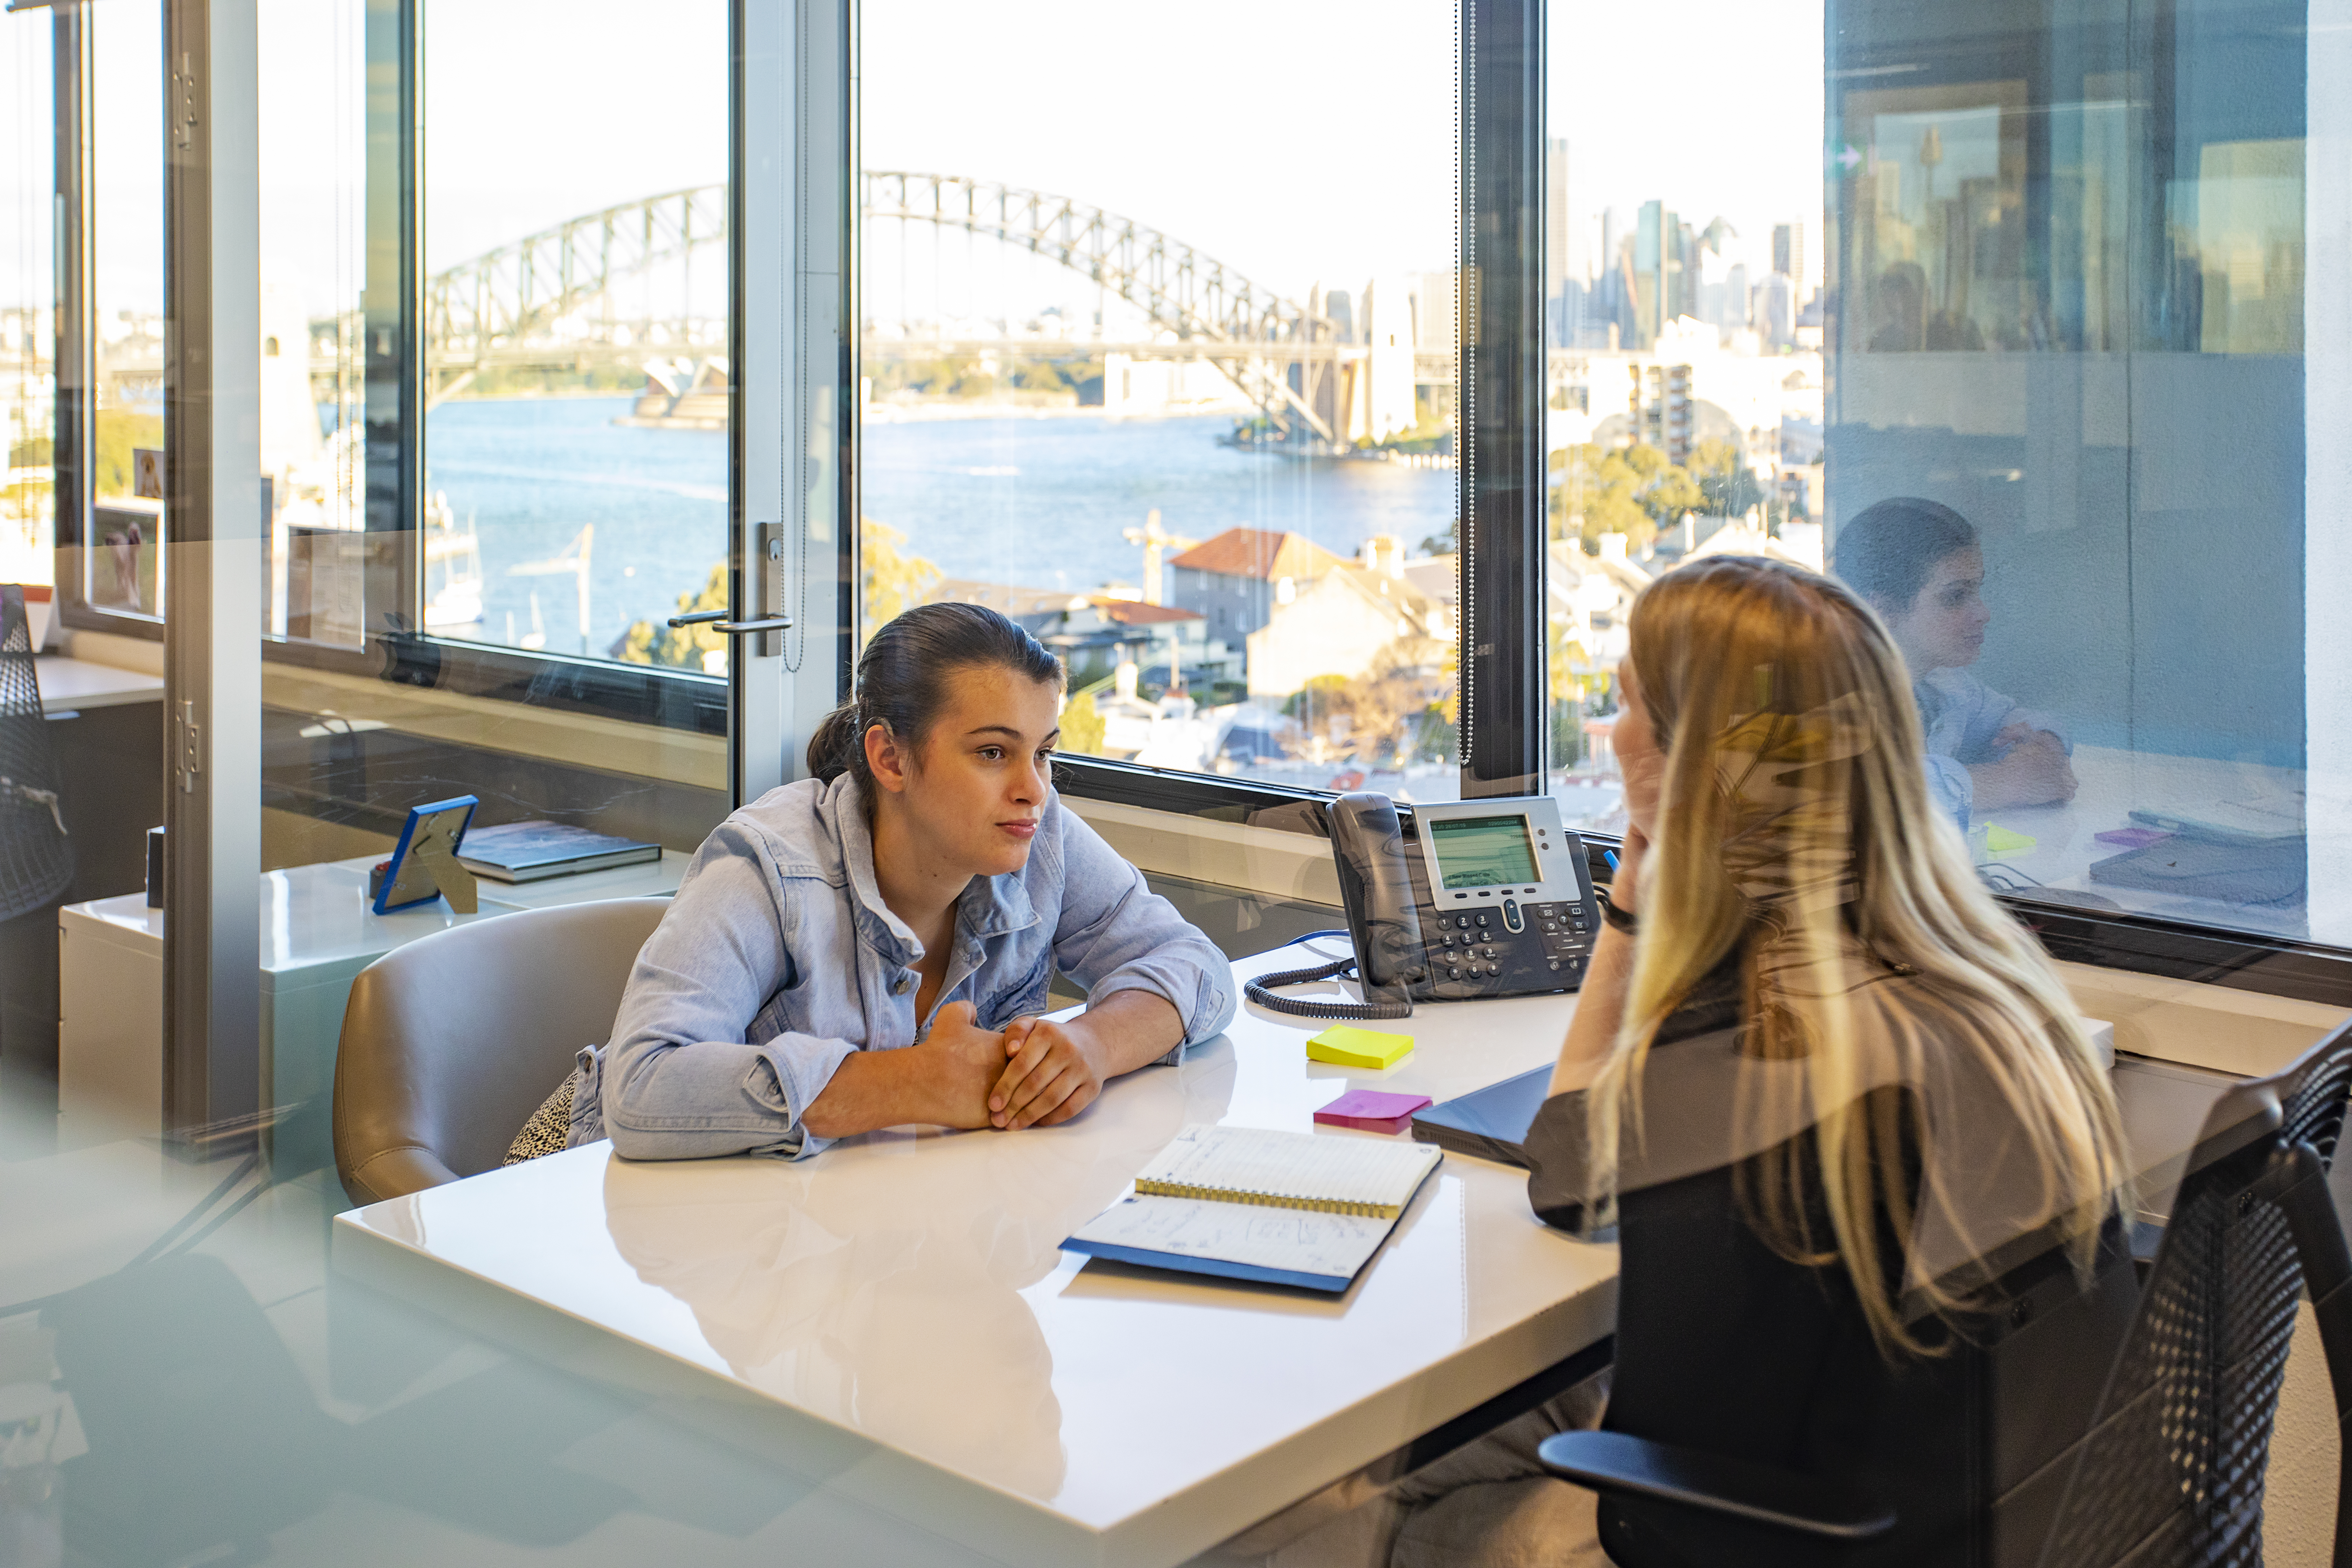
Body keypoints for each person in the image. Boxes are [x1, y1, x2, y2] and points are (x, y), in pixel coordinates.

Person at [1385, 556, 2128, 1568]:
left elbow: (1677, 1466)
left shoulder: (1764, 1074)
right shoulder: (1978, 981)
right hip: (2015, 1520)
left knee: (1358, 1514)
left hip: (1801, 1538)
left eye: (1626, 708)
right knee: (1415, 1445)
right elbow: (1577, 1178)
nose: (1610, 737)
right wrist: (1636, 899)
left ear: (1692, 759)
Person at [505, 601, 1236, 1165]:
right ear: (890, 757)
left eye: (1043, 754)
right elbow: (642, 1090)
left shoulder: (1041, 835)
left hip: (799, 1221)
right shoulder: (765, 862)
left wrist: (1092, 1045)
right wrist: (910, 1083)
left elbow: (1196, 965)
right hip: (577, 1191)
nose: (1033, 790)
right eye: (992, 751)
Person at [1833, 496, 2075, 830]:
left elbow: (2015, 719)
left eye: (1977, 590)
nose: (1984, 614)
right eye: (1955, 597)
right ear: (1883, 610)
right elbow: (1853, 795)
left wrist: (2044, 744)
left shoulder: (1943, 686)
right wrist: (2006, 782)